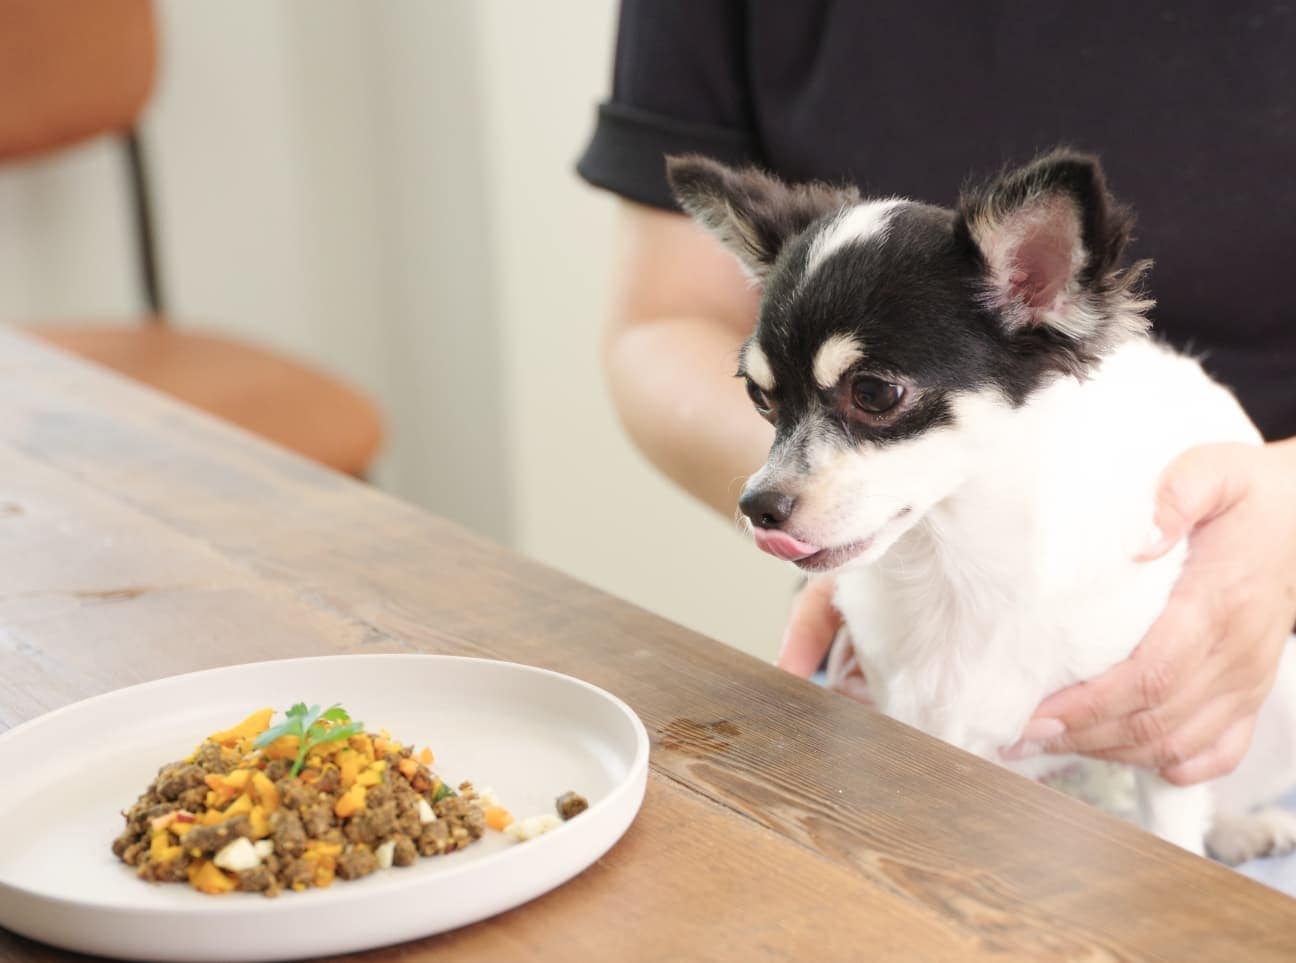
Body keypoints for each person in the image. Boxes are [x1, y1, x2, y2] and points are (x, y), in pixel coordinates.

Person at [577, 1, 1296, 789]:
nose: (769, 482)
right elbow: (664, 319)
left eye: (874, 396)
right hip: (900, 650)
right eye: (769, 403)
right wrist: (849, 507)